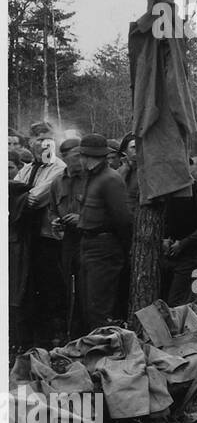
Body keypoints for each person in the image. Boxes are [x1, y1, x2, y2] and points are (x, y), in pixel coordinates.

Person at [72, 134, 132, 333]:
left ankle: (103, 353)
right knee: (88, 303)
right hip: (89, 245)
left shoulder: (110, 179)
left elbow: (123, 220)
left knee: (99, 306)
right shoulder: (93, 177)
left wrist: (120, 249)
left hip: (104, 247)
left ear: (85, 156)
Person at [13, 134, 68, 346]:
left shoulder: (58, 168)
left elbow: (35, 199)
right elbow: (11, 190)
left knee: (50, 285)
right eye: (38, 140)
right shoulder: (28, 168)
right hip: (28, 235)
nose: (43, 145)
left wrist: (17, 194)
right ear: (31, 144)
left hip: (49, 236)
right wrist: (18, 193)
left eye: (47, 140)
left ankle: (55, 334)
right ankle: (34, 335)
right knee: (29, 283)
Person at [161, 155, 197, 307]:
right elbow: (165, 221)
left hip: (193, 256)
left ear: (190, 169)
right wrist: (164, 239)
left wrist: (183, 244)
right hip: (169, 256)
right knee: (164, 299)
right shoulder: (167, 192)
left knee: (184, 300)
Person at [50, 138, 86, 337]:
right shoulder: (57, 182)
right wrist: (55, 221)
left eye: (83, 155)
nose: (81, 160)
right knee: (67, 288)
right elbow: (52, 210)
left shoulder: (91, 179)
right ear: (64, 158)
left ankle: (84, 333)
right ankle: (70, 334)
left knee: (86, 290)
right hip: (67, 242)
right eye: (76, 156)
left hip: (89, 239)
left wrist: (82, 219)